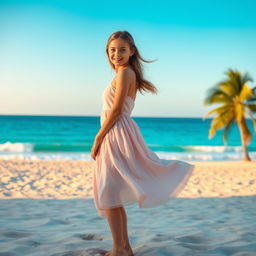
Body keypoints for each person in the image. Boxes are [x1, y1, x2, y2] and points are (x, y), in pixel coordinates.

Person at [90, 30, 195, 256]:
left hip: (115, 132)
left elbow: (117, 110)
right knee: (112, 192)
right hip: (117, 132)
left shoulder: (125, 72)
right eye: (112, 50)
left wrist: (99, 136)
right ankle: (123, 247)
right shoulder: (122, 73)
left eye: (122, 50)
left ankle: (120, 249)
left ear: (132, 51)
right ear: (107, 52)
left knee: (109, 191)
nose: (117, 54)